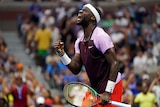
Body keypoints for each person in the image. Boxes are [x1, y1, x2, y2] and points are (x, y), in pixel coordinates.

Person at [54, 3, 122, 107]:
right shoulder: (79, 41)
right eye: (80, 10)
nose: (80, 12)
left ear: (92, 17)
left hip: (112, 87)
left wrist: (108, 92)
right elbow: (76, 68)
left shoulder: (101, 36)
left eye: (84, 11)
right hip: (95, 89)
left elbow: (115, 63)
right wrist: (62, 54)